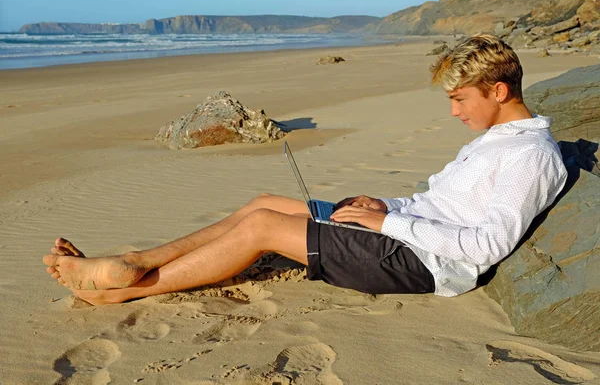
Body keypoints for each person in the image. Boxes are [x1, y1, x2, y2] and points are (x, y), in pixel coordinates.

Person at [43, 34, 567, 305]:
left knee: (261, 228)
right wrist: (386, 205)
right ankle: (136, 260)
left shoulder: (530, 156)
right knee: (262, 202)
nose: (454, 111)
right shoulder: (497, 139)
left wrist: (386, 225)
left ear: (498, 91)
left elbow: (486, 247)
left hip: (420, 263)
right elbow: (443, 202)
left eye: (460, 99)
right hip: (403, 231)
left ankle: (124, 289)